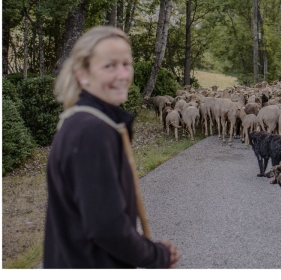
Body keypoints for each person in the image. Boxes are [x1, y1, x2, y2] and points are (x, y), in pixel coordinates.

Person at [44, 26, 180, 268]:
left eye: (126, 64)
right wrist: (156, 255)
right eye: (109, 66)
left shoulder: (84, 123)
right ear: (83, 74)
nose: (122, 75)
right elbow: (107, 227)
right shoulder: (91, 131)